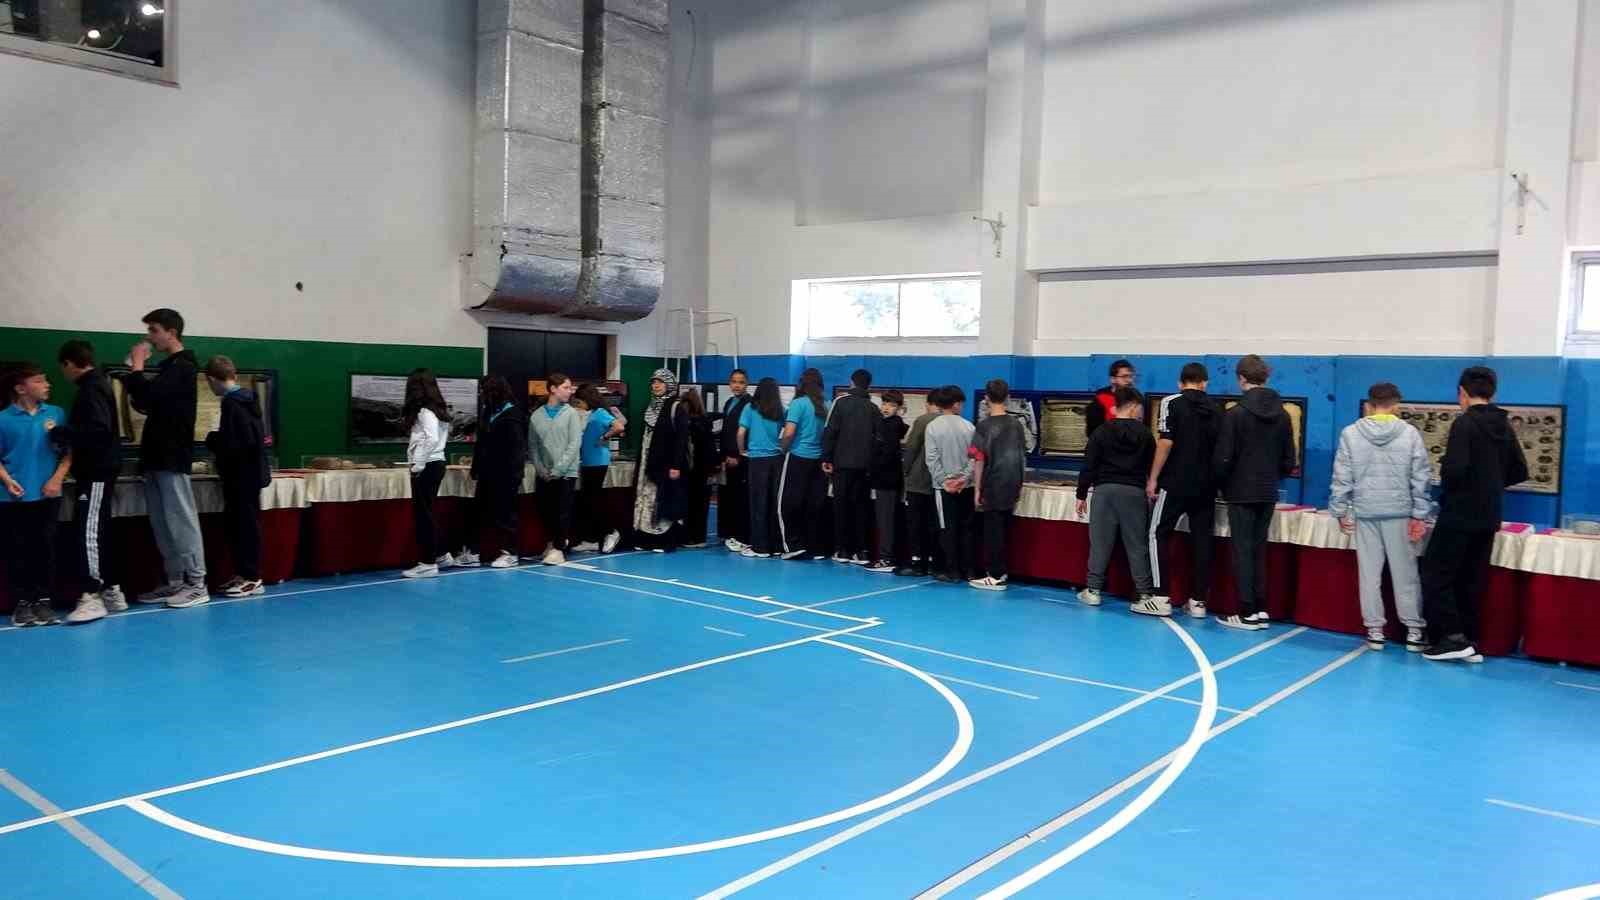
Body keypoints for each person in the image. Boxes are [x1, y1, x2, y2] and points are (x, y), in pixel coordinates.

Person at [1420, 366, 1529, 662]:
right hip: (1489, 514)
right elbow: (1520, 469)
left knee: (1435, 573)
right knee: (1471, 578)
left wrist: (1454, 487)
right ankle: (1469, 640)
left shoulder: (1464, 423)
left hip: (1459, 513)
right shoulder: (1504, 424)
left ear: (1462, 393)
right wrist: (1490, 485)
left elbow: (1454, 470)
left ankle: (1452, 637)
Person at [1329, 382, 1430, 651]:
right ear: (1396, 405)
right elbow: (1420, 477)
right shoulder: (1410, 433)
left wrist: (1339, 509)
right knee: (1406, 574)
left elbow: (1342, 476)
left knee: (1369, 574)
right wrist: (1420, 514)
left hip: (1365, 512)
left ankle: (1375, 630)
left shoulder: (1350, 433)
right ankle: (1414, 631)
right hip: (1400, 513)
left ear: (1369, 405)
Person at [118, 309, 208, 608]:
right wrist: (136, 374)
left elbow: (147, 396)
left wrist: (137, 367)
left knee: (181, 520)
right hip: (155, 456)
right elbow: (145, 401)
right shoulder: (169, 368)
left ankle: (197, 583)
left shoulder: (184, 366)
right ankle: (175, 581)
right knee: (163, 523)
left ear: (171, 332)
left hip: (172, 456)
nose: (150, 337)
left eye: (154, 330)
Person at [1213, 354, 1296, 631]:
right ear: (1266, 377)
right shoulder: (1283, 415)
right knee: (1259, 550)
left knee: (1242, 551)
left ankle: (1246, 611)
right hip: (1268, 490)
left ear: (1241, 379)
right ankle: (1260, 608)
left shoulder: (1235, 414)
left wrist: (1223, 483)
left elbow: (1223, 458)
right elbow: (1289, 460)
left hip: (1240, 491)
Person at [53, 341, 125, 624]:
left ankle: (91, 594)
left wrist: (62, 432)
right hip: (99, 470)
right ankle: (112, 590)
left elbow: (98, 429)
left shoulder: (91, 388)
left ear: (69, 363)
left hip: (96, 471)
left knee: (89, 530)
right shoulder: (97, 384)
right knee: (99, 530)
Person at [1142, 363, 1222, 619]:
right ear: (1204, 383)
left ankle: (1160, 596)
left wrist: (1153, 478)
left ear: (1180, 383)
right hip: (1206, 486)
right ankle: (1198, 602)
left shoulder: (1171, 403)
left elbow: (1165, 442)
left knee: (1157, 533)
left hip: (1175, 482)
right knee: (1202, 541)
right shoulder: (1217, 408)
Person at [0, 364, 69, 627]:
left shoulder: (56, 414)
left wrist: (56, 478)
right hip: (12, 498)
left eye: (46, 380)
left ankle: (43, 601)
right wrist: (8, 481)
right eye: (39, 381)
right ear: (20, 388)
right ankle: (22, 603)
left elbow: (69, 452)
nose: (47, 385)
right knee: (17, 550)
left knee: (45, 548)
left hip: (48, 496)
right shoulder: (3, 419)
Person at [1076, 386, 1156, 606]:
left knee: (1100, 543)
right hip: (1134, 493)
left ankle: (1093, 590)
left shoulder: (1100, 432)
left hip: (1104, 492)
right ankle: (1144, 593)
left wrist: (1081, 494)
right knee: (1137, 544)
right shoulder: (1145, 434)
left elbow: (1089, 466)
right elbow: (1152, 466)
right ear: (1132, 406)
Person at [202, 356, 271, 599]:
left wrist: (213, 440)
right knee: (238, 526)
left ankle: (252, 578)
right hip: (247, 475)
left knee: (245, 527)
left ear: (212, 379)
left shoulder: (232, 404)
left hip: (242, 477)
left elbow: (238, 443)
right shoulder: (248, 399)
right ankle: (243, 573)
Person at [970, 379, 1027, 591]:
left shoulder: (983, 426)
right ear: (1008, 397)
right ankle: (1001, 571)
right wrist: (1019, 483)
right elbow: (1022, 457)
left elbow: (978, 459)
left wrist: (977, 489)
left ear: (986, 398)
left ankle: (994, 575)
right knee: (1004, 530)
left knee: (993, 532)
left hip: (993, 483)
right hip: (1012, 483)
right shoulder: (1017, 425)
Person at [470, 376, 528, 568]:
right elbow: (481, 444)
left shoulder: (513, 414)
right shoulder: (488, 412)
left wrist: (515, 474)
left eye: (483, 390)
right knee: (479, 512)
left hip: (506, 474)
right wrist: (475, 468)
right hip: (487, 473)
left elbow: (518, 449)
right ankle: (473, 552)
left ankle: (510, 552)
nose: (481, 394)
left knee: (506, 514)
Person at [823, 368, 878, 564]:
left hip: (842, 464)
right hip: (864, 467)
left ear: (851, 382)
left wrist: (826, 458)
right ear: (868, 386)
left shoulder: (840, 403)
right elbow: (878, 439)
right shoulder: (873, 408)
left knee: (841, 507)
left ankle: (842, 550)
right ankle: (861, 551)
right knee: (861, 508)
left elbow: (830, 431)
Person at [632, 368, 690, 551]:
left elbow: (681, 439)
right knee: (647, 497)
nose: (655, 386)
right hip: (648, 461)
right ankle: (646, 538)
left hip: (666, 464)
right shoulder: (650, 407)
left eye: (660, 382)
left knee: (664, 500)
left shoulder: (676, 407)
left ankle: (665, 541)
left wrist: (676, 465)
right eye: (653, 382)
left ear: (669, 385)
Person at [402, 369, 452, 578]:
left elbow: (431, 438)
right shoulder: (438, 410)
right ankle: (441, 554)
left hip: (428, 465)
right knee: (427, 513)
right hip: (435, 463)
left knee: (423, 515)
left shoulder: (425, 411)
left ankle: (428, 563)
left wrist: (418, 464)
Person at [529, 373, 583, 564]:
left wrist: (559, 469)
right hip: (544, 473)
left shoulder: (571, 414)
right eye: (566, 387)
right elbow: (533, 445)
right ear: (553, 389)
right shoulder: (536, 415)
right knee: (545, 510)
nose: (570, 391)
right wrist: (540, 468)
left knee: (562, 511)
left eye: (570, 388)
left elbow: (574, 443)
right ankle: (551, 543)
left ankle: (559, 548)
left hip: (566, 473)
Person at [924, 385, 977, 584]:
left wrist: (944, 481)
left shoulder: (933, 427)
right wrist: (964, 479)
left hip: (943, 488)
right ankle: (969, 570)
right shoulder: (969, 427)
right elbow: (974, 458)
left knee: (947, 528)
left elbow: (932, 459)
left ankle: (952, 570)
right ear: (956, 404)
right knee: (967, 528)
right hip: (966, 487)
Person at [778, 369, 829, 560]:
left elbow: (789, 432)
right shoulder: (826, 404)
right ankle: (815, 547)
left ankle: (792, 545)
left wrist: (782, 449)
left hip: (798, 457)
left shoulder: (798, 404)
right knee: (814, 504)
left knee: (787, 503)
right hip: (818, 461)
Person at [897, 386, 946, 577]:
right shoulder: (950, 421)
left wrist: (905, 471)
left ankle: (917, 562)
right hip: (939, 482)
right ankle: (935, 561)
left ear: (928, 403)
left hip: (918, 481)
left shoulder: (923, 420)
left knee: (916, 524)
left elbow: (912, 449)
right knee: (934, 524)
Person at [571, 384, 624, 554]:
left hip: (598, 462)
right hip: (587, 462)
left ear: (587, 399)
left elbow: (619, 426)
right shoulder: (589, 414)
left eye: (580, 401)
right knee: (587, 501)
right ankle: (591, 539)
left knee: (595, 500)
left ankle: (611, 532)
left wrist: (604, 437)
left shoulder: (600, 413)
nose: (578, 405)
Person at [738, 377, 786, 558]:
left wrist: (742, 450)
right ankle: (776, 545)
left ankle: (760, 547)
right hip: (777, 460)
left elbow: (740, 433)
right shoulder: (781, 410)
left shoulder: (750, 408)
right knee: (775, 503)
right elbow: (789, 431)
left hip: (757, 460)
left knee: (758, 504)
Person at [866, 389, 909, 574]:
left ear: (898, 408)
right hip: (890, 479)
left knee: (885, 520)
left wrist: (872, 469)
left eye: (891, 405)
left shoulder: (889, 426)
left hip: (886, 479)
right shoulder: (895, 425)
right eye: (884, 404)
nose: (886, 408)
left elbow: (886, 454)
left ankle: (886, 558)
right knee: (888, 519)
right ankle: (889, 556)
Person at [718, 369, 754, 552]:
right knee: (728, 495)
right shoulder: (729, 402)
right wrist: (723, 455)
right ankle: (728, 531)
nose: (737, 385)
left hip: (740, 457)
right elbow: (726, 430)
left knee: (740, 496)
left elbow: (745, 432)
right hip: (727, 457)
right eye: (734, 381)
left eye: (741, 382)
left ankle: (739, 533)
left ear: (747, 384)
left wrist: (737, 454)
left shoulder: (750, 403)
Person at [680, 387, 717, 548]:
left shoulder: (686, 423)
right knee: (701, 504)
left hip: (691, 468)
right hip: (704, 468)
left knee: (689, 503)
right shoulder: (705, 422)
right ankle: (699, 537)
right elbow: (710, 447)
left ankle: (689, 536)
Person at [1085, 359, 1136, 437]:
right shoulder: (1100, 399)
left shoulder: (1136, 398)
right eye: (1124, 376)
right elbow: (1093, 432)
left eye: (1131, 376)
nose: (1129, 380)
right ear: (1113, 379)